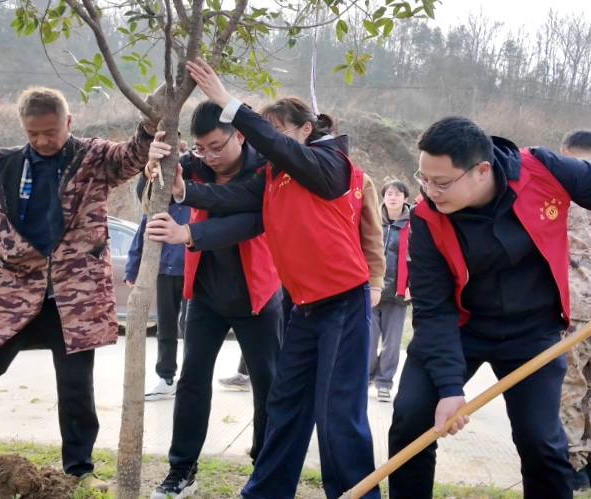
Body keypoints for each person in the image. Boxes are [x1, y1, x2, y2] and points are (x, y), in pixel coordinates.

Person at [149, 57, 385, 499]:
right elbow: (234, 197)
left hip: (343, 301)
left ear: (305, 130)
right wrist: (182, 191)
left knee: (336, 410)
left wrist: (228, 103)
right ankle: (265, 491)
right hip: (303, 307)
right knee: (285, 402)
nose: (270, 142)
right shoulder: (275, 176)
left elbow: (280, 154)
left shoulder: (330, 163)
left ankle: (354, 494)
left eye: (277, 131)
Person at [0, 86, 158, 490]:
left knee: (76, 385)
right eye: (33, 133)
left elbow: (133, 154)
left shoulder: (94, 158)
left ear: (68, 122)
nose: (43, 140)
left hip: (73, 298)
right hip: (11, 294)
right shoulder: (3, 165)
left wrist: (152, 123)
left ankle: (80, 470)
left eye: (51, 132)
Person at [387, 116, 591, 498]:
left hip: (533, 333)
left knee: (541, 442)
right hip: (461, 329)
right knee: (411, 419)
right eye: (423, 179)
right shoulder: (426, 217)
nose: (429, 191)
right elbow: (433, 308)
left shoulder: (543, 170)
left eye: (442, 183)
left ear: (482, 170)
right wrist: (449, 387)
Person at [145, 100, 283, 499]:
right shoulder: (194, 165)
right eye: (202, 148)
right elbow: (153, 200)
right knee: (191, 380)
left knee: (268, 383)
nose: (210, 157)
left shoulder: (266, 168)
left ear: (240, 134)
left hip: (257, 295)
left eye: (217, 147)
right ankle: (181, 469)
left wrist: (189, 227)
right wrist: (153, 170)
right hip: (205, 292)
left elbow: (249, 216)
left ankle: (264, 469)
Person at [124, 174, 190, 401]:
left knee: (191, 328)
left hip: (192, 274)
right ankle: (166, 378)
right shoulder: (157, 208)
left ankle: (190, 378)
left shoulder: (194, 204)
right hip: (164, 273)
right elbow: (141, 237)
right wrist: (131, 270)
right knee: (166, 327)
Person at [559, 129, 591, 490]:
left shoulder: (560, 192)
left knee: (569, 386)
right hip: (575, 308)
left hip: (572, 308)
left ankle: (574, 465)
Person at [369, 179, 411, 402]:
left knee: (392, 343)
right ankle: (367, 377)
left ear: (405, 198)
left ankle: (384, 382)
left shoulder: (414, 225)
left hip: (398, 292)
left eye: (397, 194)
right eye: (389, 194)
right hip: (371, 290)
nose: (393, 198)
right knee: (368, 339)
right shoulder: (371, 220)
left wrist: (412, 285)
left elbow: (420, 259)